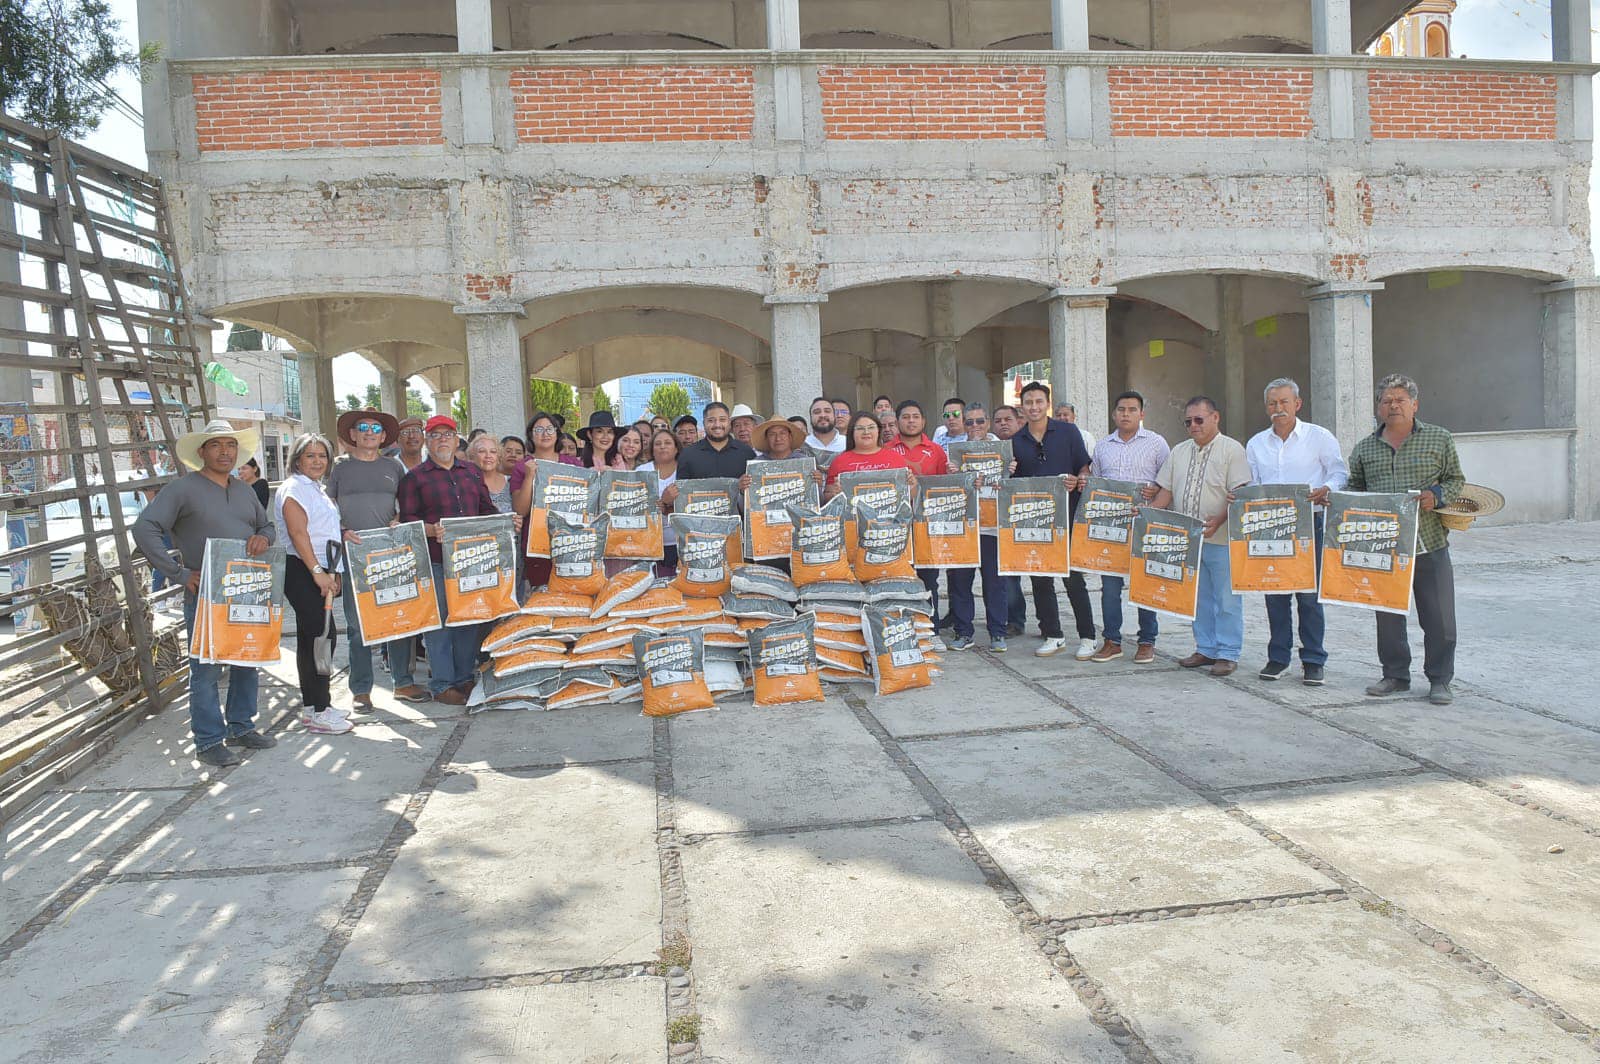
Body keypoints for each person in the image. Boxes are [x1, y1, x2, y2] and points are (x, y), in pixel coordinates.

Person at [132, 420, 277, 768]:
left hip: (247, 587)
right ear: (201, 452)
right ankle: (209, 740)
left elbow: (266, 525)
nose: (225, 451)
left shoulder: (244, 490)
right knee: (207, 669)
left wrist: (264, 537)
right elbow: (144, 528)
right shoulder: (182, 489)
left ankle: (241, 726)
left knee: (246, 659)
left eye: (230, 445)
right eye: (216, 445)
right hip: (206, 590)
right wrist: (178, 573)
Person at [1347, 373, 1464, 705]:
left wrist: (1436, 495)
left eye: (1400, 400)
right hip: (1384, 548)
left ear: (1415, 405)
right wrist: (1341, 501)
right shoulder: (1365, 448)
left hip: (1429, 542)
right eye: (1386, 401)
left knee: (1439, 619)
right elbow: (1355, 488)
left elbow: (1456, 479)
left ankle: (1440, 680)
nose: (1393, 406)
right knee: (1388, 618)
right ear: (1378, 408)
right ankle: (1395, 675)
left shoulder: (1439, 439)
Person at [1243, 378, 1348, 685]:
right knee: (1275, 594)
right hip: (1271, 527)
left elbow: (1339, 472)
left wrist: (1326, 488)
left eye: (1284, 402)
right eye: (1272, 403)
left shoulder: (1319, 437)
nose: (1278, 408)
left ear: (1297, 404)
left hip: (1309, 525)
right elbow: (1253, 484)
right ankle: (1278, 658)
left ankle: (1313, 660)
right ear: (1266, 408)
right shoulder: (1256, 443)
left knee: (1309, 597)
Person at [396, 415, 498, 705]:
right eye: (436, 435)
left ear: (456, 441)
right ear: (427, 442)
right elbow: (406, 522)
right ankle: (442, 684)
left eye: (448, 434)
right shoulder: (414, 478)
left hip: (470, 561)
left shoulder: (472, 472)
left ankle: (464, 678)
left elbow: (486, 509)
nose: (442, 439)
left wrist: (505, 522)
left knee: (467, 621)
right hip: (435, 561)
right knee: (439, 626)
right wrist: (430, 530)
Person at [328, 409, 426, 708]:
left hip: (391, 553)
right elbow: (327, 507)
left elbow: (406, 503)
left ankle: (403, 682)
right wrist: (341, 530)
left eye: (375, 429)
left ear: (383, 437)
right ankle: (361, 690)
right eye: (363, 428)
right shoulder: (339, 469)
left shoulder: (393, 467)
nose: (369, 433)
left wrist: (400, 519)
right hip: (354, 555)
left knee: (397, 618)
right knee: (358, 625)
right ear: (353, 434)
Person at [1149, 396, 1252, 677]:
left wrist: (1218, 520)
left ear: (1215, 418)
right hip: (1190, 541)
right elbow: (1166, 491)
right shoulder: (1179, 451)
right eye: (1188, 421)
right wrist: (1148, 515)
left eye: (1199, 419)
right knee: (1198, 599)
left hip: (1222, 539)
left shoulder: (1232, 450)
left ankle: (1228, 653)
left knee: (1227, 600)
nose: (1193, 425)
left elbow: (1239, 494)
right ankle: (1205, 648)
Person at [274, 433, 354, 735]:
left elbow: (324, 530)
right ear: (297, 460)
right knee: (323, 636)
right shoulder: (294, 488)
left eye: (322, 455)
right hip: (303, 568)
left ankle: (313, 706)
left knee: (311, 639)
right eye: (310, 455)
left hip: (322, 567)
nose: (317, 461)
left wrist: (333, 566)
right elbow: (299, 534)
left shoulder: (316, 489)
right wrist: (318, 571)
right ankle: (321, 709)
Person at [1013, 381, 1096, 659]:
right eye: (1028, 402)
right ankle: (1053, 634)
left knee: (1073, 579)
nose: (1034, 407)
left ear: (1047, 404)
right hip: (1035, 520)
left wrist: (1078, 479)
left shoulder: (1068, 432)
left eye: (1039, 401)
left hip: (1067, 515)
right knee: (1040, 579)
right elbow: (1014, 482)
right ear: (1022, 407)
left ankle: (1088, 636)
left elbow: (1084, 467)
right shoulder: (1016, 440)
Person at [1088, 391, 1171, 665]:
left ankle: (1147, 641)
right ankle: (1112, 641)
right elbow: (1096, 484)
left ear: (1141, 414)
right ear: (1114, 414)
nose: (1126, 414)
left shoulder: (1157, 444)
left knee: (1144, 583)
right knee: (1110, 588)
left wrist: (1156, 489)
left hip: (1144, 525)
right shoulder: (1103, 446)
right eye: (1121, 409)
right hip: (1111, 528)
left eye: (1132, 409)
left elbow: (1168, 482)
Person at [511, 411, 584, 590]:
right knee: (542, 595)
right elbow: (520, 510)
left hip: (571, 541)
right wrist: (530, 476)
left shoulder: (573, 464)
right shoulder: (522, 467)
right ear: (531, 435)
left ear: (557, 433)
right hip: (537, 545)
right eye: (539, 430)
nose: (545, 434)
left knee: (574, 595)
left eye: (550, 429)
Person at [823, 411, 915, 493]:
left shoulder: (895, 458)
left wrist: (912, 485)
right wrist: (834, 493)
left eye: (871, 427)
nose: (866, 432)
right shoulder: (839, 461)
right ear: (852, 432)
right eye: (860, 428)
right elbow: (828, 496)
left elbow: (909, 495)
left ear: (878, 431)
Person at [674, 401, 757, 482]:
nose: (717, 425)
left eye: (722, 420)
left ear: (729, 423)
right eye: (711, 420)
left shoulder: (747, 453)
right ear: (704, 423)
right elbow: (682, 489)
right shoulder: (688, 455)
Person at [649, 429, 681, 577]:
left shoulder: (685, 469)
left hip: (681, 543)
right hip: (650, 545)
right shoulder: (642, 470)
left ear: (676, 448)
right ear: (652, 449)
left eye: (668, 443)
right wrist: (660, 503)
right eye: (658, 444)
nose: (662, 446)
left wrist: (667, 506)